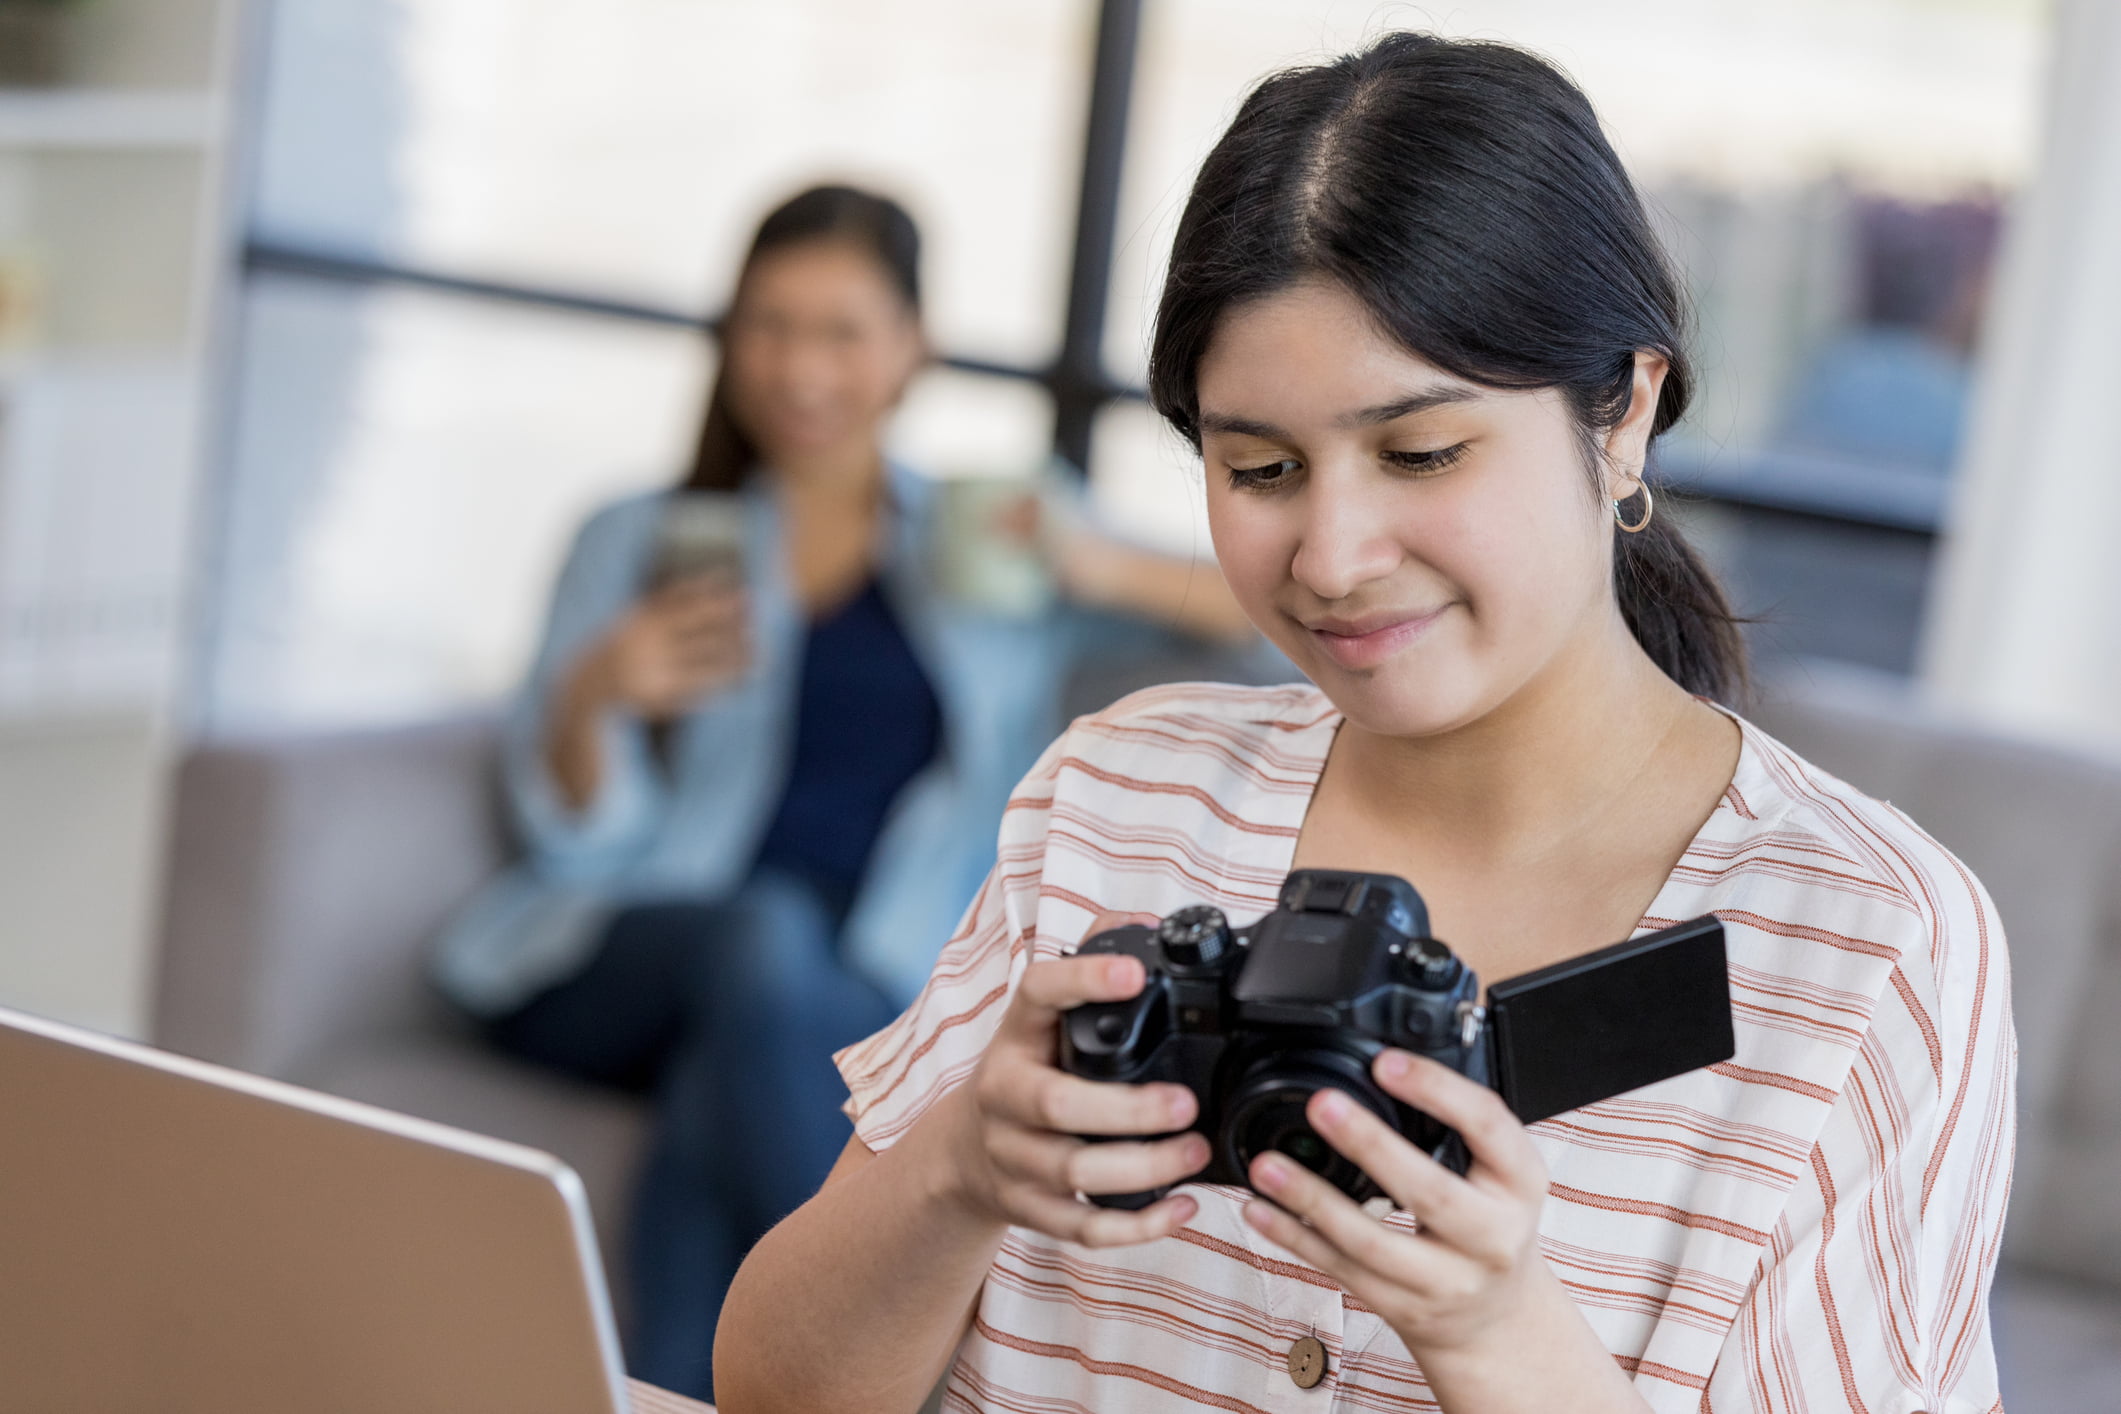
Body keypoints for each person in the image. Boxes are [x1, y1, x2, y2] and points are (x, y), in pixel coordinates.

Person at [715, 36, 2014, 1414]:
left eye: (1420, 453)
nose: (1330, 556)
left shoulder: (1867, 949)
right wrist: (958, 1168)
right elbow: (773, 1393)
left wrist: (1498, 1332)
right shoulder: (1119, 797)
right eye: (1257, 467)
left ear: (1623, 410)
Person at [430, 184, 1255, 1399]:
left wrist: (1095, 559)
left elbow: (1287, 626)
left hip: (847, 992)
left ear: (911, 348)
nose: (799, 369)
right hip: (623, 952)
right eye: (769, 327)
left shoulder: (983, 540)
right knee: (760, 941)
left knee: (736, 1065)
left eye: (841, 332)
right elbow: (584, 845)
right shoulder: (640, 536)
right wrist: (591, 697)